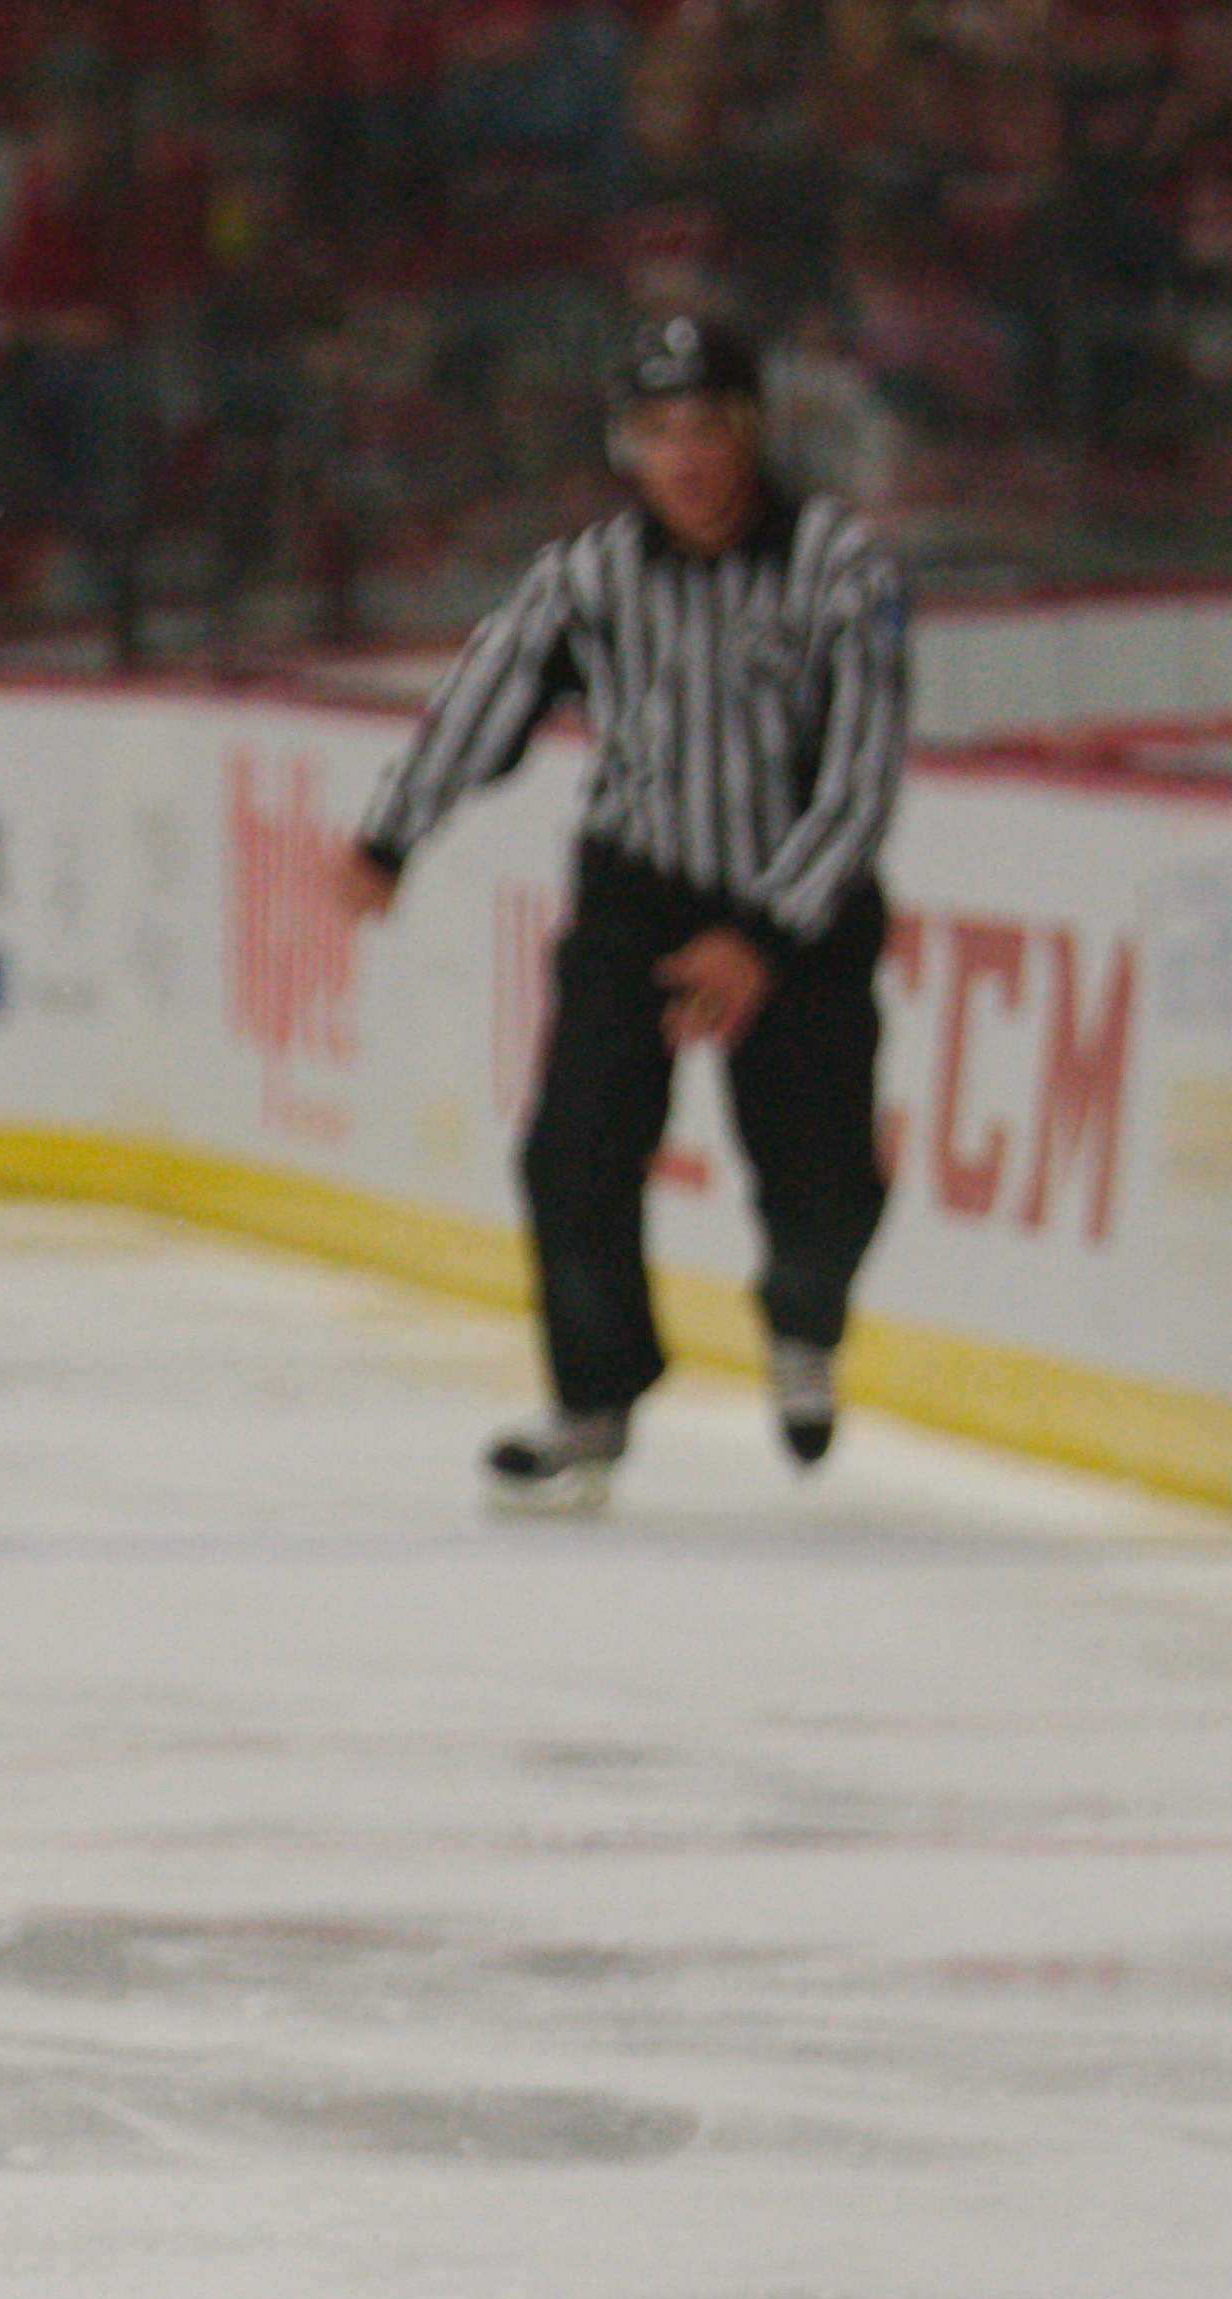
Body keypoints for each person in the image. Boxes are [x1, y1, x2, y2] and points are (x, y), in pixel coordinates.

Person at [342, 312, 908, 1509]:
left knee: (824, 1177)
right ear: (626, 449)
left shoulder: (839, 568)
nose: (686, 458)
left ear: (751, 431)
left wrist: (762, 936)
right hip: (638, 894)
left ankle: (804, 1319)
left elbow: (860, 781)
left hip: (798, 905)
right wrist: (393, 833)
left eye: (707, 427)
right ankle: (592, 1402)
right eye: (658, 434)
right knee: (573, 1152)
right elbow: (483, 700)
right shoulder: (587, 577)